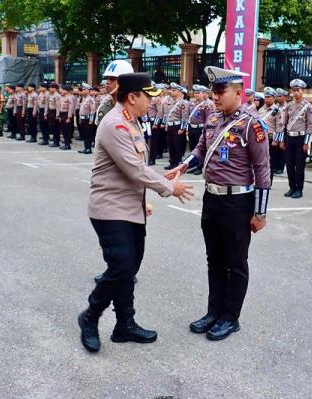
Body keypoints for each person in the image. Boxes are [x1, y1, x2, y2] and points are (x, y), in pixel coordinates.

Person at [77, 72, 193, 353]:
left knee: (129, 269)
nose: (152, 102)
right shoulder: (115, 124)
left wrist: (155, 186)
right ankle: (90, 317)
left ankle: (124, 325)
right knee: (121, 267)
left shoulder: (132, 122)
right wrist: (169, 187)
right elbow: (134, 169)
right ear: (132, 97)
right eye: (148, 97)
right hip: (109, 210)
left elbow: (135, 168)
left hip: (130, 209)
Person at [166, 66, 271, 341]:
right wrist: (182, 167)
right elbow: (201, 150)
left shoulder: (252, 123)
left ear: (239, 93)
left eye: (220, 91)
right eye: (213, 91)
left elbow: (262, 169)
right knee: (214, 259)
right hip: (212, 198)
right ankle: (213, 311)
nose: (215, 96)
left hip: (237, 202)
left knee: (236, 262)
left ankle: (230, 317)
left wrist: (260, 212)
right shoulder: (212, 117)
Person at [281, 79, 312, 198]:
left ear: (302, 91)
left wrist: (306, 143)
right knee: (289, 165)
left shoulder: (308, 106)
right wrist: (283, 140)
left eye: (298, 90)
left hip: (301, 139)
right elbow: (284, 123)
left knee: (299, 166)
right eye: (294, 90)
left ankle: (299, 189)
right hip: (290, 138)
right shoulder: (289, 105)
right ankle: (292, 187)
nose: (296, 93)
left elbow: (310, 125)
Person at [184, 85, 215, 175]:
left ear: (203, 94)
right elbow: (189, 116)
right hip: (192, 127)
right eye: (195, 92)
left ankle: (200, 166)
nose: (196, 94)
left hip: (200, 129)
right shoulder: (192, 103)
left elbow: (209, 119)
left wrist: (206, 131)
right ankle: (193, 165)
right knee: (193, 147)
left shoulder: (207, 104)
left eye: (198, 93)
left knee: (200, 149)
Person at [95, 60, 134, 126]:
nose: (107, 82)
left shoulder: (135, 107)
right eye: (106, 78)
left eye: (112, 79)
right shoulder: (104, 108)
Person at [161, 82, 188, 170]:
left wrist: (182, 128)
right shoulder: (171, 101)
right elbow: (167, 114)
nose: (171, 92)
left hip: (177, 127)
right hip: (170, 126)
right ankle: (172, 162)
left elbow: (185, 117)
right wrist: (166, 125)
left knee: (177, 145)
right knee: (171, 145)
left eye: (174, 90)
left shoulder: (183, 102)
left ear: (179, 91)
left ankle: (177, 162)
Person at [259, 87, 280, 182]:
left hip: (271, 138)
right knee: (260, 161)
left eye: (269, 97)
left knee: (270, 162)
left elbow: (279, 126)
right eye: (265, 97)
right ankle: (260, 179)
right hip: (260, 138)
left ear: (274, 98)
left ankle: (268, 181)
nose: (267, 99)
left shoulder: (277, 110)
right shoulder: (261, 109)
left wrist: (276, 140)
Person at [78, 83, 96, 154]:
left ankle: (89, 149)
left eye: (84, 89)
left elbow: (92, 110)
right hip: (83, 119)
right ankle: (85, 147)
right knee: (84, 134)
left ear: (88, 91)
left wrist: (91, 120)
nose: (83, 91)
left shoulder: (91, 99)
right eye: (82, 89)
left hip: (87, 119)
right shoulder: (84, 99)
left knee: (88, 134)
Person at [58, 85, 76, 150]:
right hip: (62, 114)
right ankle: (65, 143)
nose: (61, 91)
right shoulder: (62, 97)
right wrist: (59, 116)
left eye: (62, 90)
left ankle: (67, 145)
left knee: (67, 130)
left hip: (67, 115)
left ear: (66, 91)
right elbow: (60, 107)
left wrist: (69, 117)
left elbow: (71, 108)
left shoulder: (70, 98)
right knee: (63, 130)